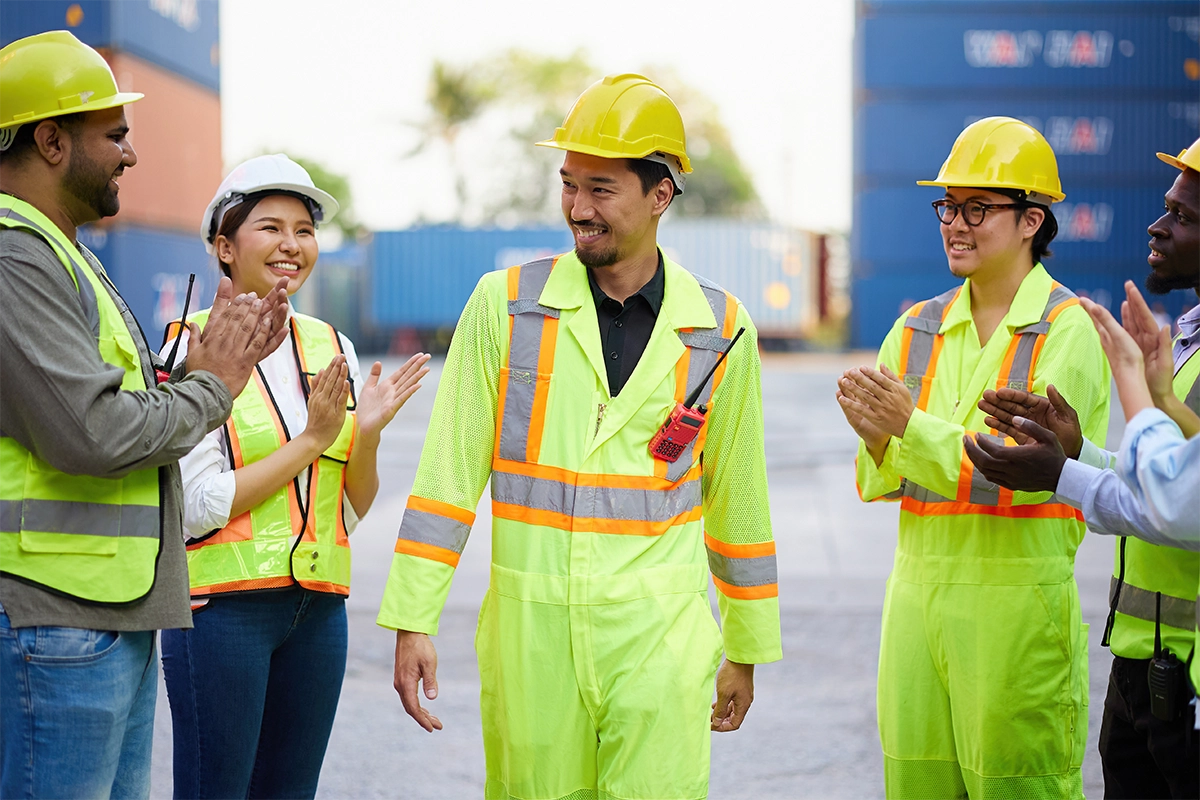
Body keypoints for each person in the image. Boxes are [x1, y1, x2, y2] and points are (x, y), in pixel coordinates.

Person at [377, 73, 781, 800]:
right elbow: (446, 477)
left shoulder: (721, 329)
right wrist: (412, 617)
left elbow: (739, 499)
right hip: (532, 642)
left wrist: (746, 649)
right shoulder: (503, 307)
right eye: (568, 185)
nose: (577, 209)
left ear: (661, 195)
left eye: (601, 189)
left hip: (662, 634)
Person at [0, 31, 289, 799]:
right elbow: (92, 431)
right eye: (116, 135)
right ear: (52, 139)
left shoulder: (66, 254)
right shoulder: (14, 256)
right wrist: (213, 384)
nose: (131, 155)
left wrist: (195, 372)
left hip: (104, 612)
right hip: (55, 619)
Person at [837, 116, 1111, 798]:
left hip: (1016, 610)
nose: (956, 224)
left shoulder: (1067, 330)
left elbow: (1022, 477)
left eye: (978, 209)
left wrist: (906, 428)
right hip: (915, 603)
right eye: (949, 207)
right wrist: (878, 440)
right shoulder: (916, 328)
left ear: (1031, 220)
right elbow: (879, 479)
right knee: (915, 785)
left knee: (1019, 785)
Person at [157, 154, 430, 800]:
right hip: (222, 616)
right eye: (271, 227)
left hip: (316, 615)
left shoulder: (330, 345)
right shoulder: (187, 346)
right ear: (224, 247)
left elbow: (350, 510)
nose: (292, 244)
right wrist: (312, 439)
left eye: (304, 230)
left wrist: (366, 435)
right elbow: (195, 506)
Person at [965, 137, 1200, 799]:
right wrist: (1080, 455)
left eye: (1184, 217)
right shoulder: (1190, 343)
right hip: (1145, 666)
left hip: (1187, 678)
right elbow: (1172, 481)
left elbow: (1180, 508)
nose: (1158, 226)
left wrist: (1065, 471)